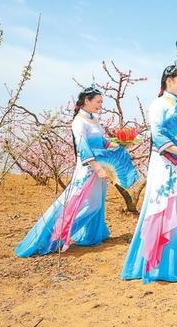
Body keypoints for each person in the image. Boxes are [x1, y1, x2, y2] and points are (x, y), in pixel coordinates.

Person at [121, 64, 177, 283]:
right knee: (162, 205)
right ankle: (156, 266)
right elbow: (158, 136)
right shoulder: (158, 104)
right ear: (169, 81)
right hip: (165, 161)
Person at [15, 86, 113, 257]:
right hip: (89, 168)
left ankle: (92, 236)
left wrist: (116, 143)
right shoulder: (79, 121)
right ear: (87, 101)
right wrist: (97, 168)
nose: (101, 105)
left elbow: (100, 140)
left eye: (101, 102)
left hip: (99, 165)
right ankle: (53, 237)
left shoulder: (93, 119)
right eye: (98, 102)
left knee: (97, 203)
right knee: (85, 204)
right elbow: (83, 147)